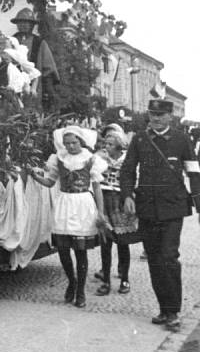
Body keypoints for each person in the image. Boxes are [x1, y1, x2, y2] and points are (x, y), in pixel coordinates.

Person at [119, 99, 200, 331]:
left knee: (169, 257)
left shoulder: (181, 139)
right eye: (152, 114)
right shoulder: (140, 139)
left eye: (160, 115)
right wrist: (127, 196)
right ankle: (164, 309)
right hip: (147, 207)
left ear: (170, 117)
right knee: (154, 259)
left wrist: (199, 204)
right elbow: (127, 169)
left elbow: (194, 173)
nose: (155, 119)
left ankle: (173, 311)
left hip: (173, 207)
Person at [29, 125, 107, 308]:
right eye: (67, 143)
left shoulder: (91, 159)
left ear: (81, 141)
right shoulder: (59, 159)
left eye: (74, 142)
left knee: (80, 250)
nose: (70, 146)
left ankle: (80, 290)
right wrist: (35, 176)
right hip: (64, 203)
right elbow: (50, 182)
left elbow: (97, 187)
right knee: (63, 248)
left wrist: (101, 212)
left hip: (83, 204)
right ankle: (71, 282)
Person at [94, 125, 136, 296]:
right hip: (105, 200)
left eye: (110, 144)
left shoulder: (127, 160)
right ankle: (105, 281)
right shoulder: (100, 160)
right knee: (105, 243)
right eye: (105, 144)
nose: (106, 147)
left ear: (119, 146)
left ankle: (124, 278)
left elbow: (133, 181)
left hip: (119, 202)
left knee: (123, 243)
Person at [11, 7, 60, 112]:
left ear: (32, 25)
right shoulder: (11, 41)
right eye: (20, 22)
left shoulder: (39, 43)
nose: (23, 25)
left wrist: (48, 91)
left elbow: (49, 68)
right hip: (13, 84)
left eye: (26, 23)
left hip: (34, 86)